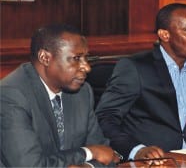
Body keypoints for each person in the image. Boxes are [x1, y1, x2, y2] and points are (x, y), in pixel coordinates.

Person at [95, 3, 186, 165]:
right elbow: (105, 118)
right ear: (165, 35)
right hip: (146, 161)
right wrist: (137, 149)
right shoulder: (136, 67)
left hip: (185, 157)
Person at [0, 23, 121, 167]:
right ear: (45, 57)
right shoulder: (11, 96)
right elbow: (29, 165)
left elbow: (106, 154)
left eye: (86, 58)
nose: (87, 67)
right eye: (76, 58)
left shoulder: (82, 92)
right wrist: (87, 153)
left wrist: (88, 166)